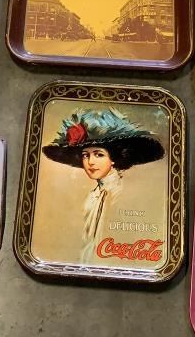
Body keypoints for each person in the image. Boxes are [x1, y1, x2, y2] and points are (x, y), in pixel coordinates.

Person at [42, 108, 164, 261]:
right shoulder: (94, 195)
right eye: (85, 155)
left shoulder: (121, 193)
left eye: (99, 154)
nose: (90, 162)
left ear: (113, 158)